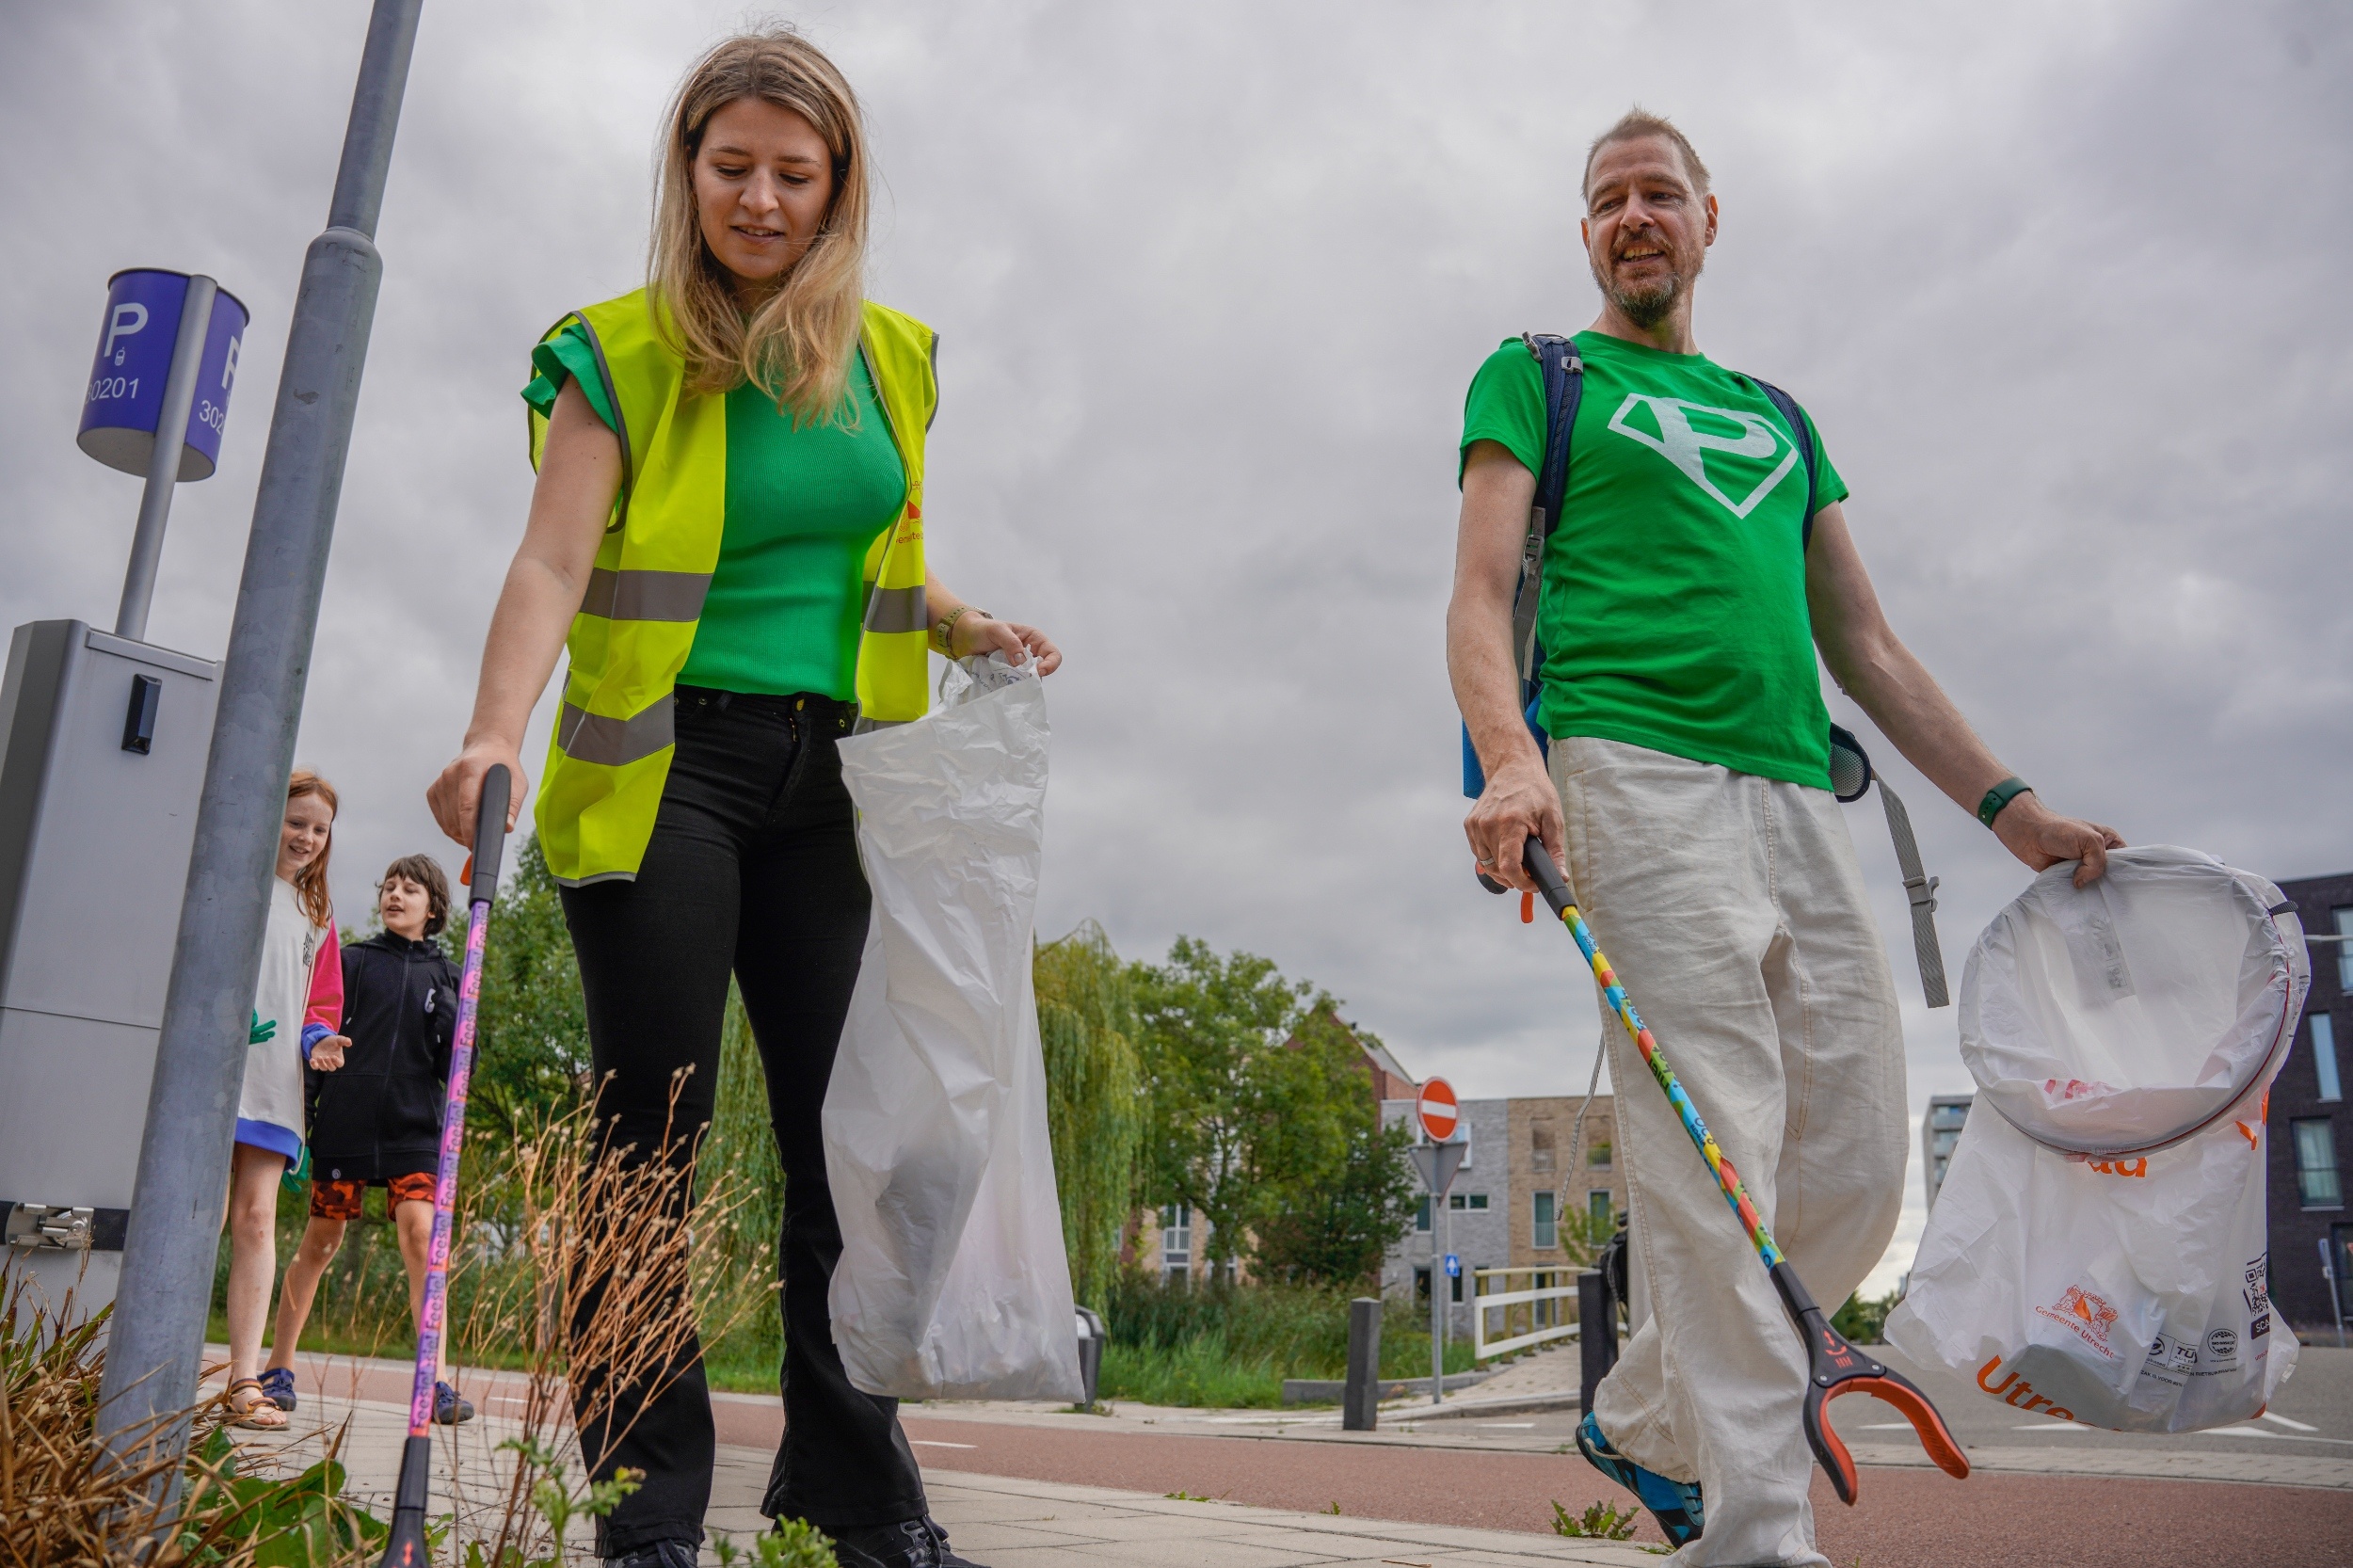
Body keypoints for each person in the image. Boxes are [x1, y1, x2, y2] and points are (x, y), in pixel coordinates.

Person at [1447, 111, 2124, 1566]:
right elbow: (1479, 587)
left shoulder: (1780, 415)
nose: (1636, 217)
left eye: (1660, 194)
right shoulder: (1538, 378)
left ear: (1707, 218)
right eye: (1607, 199)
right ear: (1586, 233)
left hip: (1796, 790)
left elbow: (1866, 642)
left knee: (1861, 1153)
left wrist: (2014, 809)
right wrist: (1515, 763)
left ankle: (1641, 1411)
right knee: (1716, 1163)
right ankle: (1757, 1532)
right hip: (1627, 776)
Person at [426, 29, 1059, 1568]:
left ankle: (853, 1489)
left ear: (838, 186)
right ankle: (644, 1513)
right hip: (662, 774)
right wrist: (492, 729)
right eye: (733, 169)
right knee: (652, 1138)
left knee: (850, 1147)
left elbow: (858, 562)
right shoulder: (618, 347)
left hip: (832, 784)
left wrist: (957, 620)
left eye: (796, 172)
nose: (762, 200)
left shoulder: (893, 356)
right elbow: (554, 561)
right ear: (686, 174)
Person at [259, 856, 472, 1425]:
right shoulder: (351, 962)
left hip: (415, 1128)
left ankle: (436, 1380)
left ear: (434, 906)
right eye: (389, 887)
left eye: (410, 888)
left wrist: (452, 1019)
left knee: (422, 1237)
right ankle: (278, 1367)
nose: (395, 895)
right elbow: (315, 1039)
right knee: (321, 1242)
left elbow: (458, 1070)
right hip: (347, 1121)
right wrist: (302, 1127)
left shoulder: (453, 976)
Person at [223, 769, 349, 1432]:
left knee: (257, 1221)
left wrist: (320, 1041)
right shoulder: (230, 883)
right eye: (295, 820)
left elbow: (319, 1003)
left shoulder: (318, 917)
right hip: (213, 1078)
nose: (305, 836)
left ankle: (244, 1381)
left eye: (318, 828)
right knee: (199, 1216)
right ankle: (153, 1363)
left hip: (274, 1086)